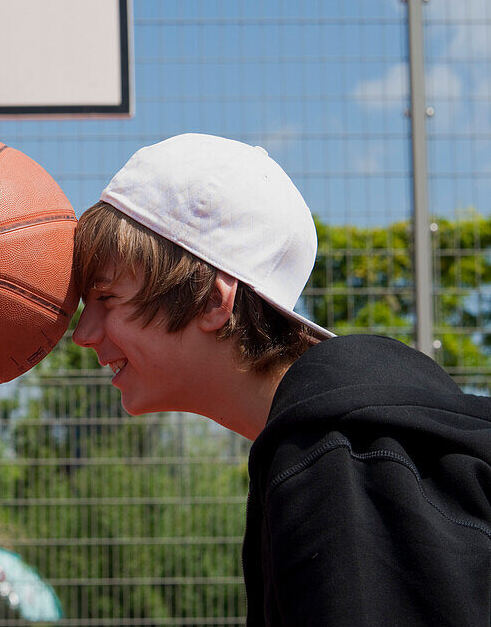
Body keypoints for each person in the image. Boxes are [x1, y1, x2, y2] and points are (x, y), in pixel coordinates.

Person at [71, 133, 491, 625]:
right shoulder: (343, 443)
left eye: (106, 298)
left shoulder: (345, 460)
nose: (83, 333)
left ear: (212, 300)